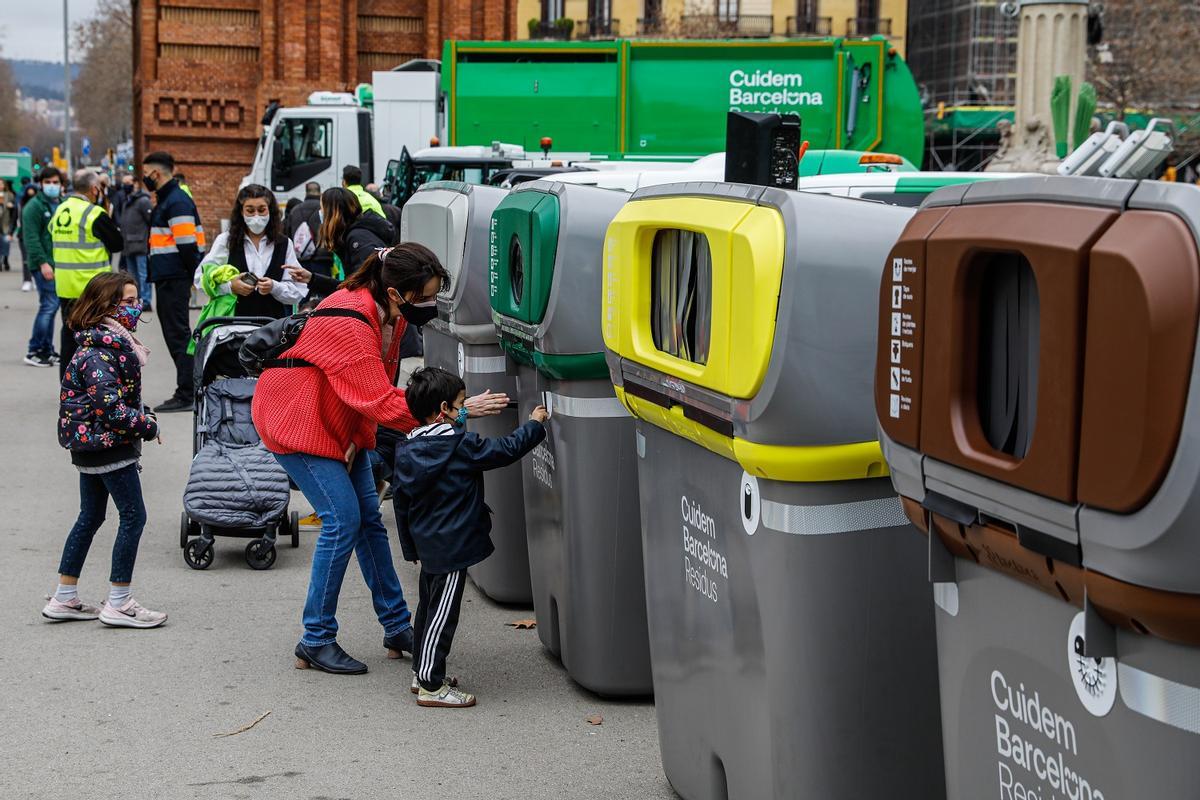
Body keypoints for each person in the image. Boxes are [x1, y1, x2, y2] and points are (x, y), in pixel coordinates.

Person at [250, 243, 509, 675]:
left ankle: (395, 627)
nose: (429, 304)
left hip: (331, 421)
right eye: (423, 296)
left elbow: (364, 396)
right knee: (343, 521)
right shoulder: (352, 322)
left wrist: (357, 437)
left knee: (369, 519)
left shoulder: (386, 313)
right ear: (395, 292)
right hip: (295, 421)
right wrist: (458, 412)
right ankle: (315, 639)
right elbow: (382, 401)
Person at [393, 367, 548, 708]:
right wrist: (535, 424)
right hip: (453, 547)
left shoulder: (406, 450)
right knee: (442, 616)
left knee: (427, 611)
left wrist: (409, 547)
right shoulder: (460, 446)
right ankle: (432, 685)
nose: (465, 409)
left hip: (427, 543)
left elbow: (401, 505)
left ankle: (423, 673)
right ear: (445, 408)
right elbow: (505, 450)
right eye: (461, 404)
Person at [42, 270, 166, 629]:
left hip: (90, 446)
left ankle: (65, 597)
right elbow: (110, 409)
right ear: (106, 306)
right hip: (107, 446)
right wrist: (148, 425)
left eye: (135, 300)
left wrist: (141, 414)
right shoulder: (101, 351)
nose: (135, 307)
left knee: (90, 517)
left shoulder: (104, 343)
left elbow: (115, 399)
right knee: (134, 516)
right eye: (127, 301)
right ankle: (120, 602)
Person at [143, 151, 205, 412]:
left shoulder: (176, 202)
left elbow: (188, 246)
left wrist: (194, 277)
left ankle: (187, 392)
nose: (144, 179)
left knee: (178, 336)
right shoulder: (169, 199)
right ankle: (189, 390)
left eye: (145, 174)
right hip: (169, 275)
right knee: (176, 334)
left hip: (175, 276)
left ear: (156, 174)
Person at [193, 183, 307, 321]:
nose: (256, 216)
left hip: (273, 326)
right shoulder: (226, 241)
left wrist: (274, 287)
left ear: (270, 211)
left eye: (261, 210)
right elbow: (200, 278)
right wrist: (230, 287)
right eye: (250, 210)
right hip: (233, 326)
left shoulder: (283, 244)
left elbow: (299, 290)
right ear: (241, 212)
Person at [50, 169, 124, 376]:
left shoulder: (60, 210)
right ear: (94, 189)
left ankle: (67, 385)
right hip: (92, 288)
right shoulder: (93, 213)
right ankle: (94, 382)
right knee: (95, 338)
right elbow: (117, 244)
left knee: (69, 336)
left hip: (65, 285)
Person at [22, 168, 62, 367]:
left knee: (52, 306)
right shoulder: (34, 206)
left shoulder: (61, 203)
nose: (52, 185)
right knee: (48, 305)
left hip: (58, 263)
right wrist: (43, 263)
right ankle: (35, 349)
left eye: (56, 181)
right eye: (48, 181)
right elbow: (31, 238)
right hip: (43, 264)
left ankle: (46, 348)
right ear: (41, 183)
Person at [119, 177, 153, 311]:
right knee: (132, 276)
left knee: (143, 275)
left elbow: (151, 221)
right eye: (124, 183)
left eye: (129, 183)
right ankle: (136, 300)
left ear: (136, 184)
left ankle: (146, 300)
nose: (126, 185)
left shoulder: (143, 201)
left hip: (140, 244)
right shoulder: (127, 201)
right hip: (127, 245)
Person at [17, 182, 38, 291]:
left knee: (36, 259)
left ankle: (35, 279)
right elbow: (17, 219)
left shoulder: (38, 205)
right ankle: (27, 280)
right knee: (26, 260)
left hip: (36, 236)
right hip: (23, 235)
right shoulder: (21, 204)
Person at [0, 180, 15, 271]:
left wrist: (12, 206)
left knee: (6, 243)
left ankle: (5, 259)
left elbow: (15, 211)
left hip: (6, 224)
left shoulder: (10, 195)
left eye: (1, 184)